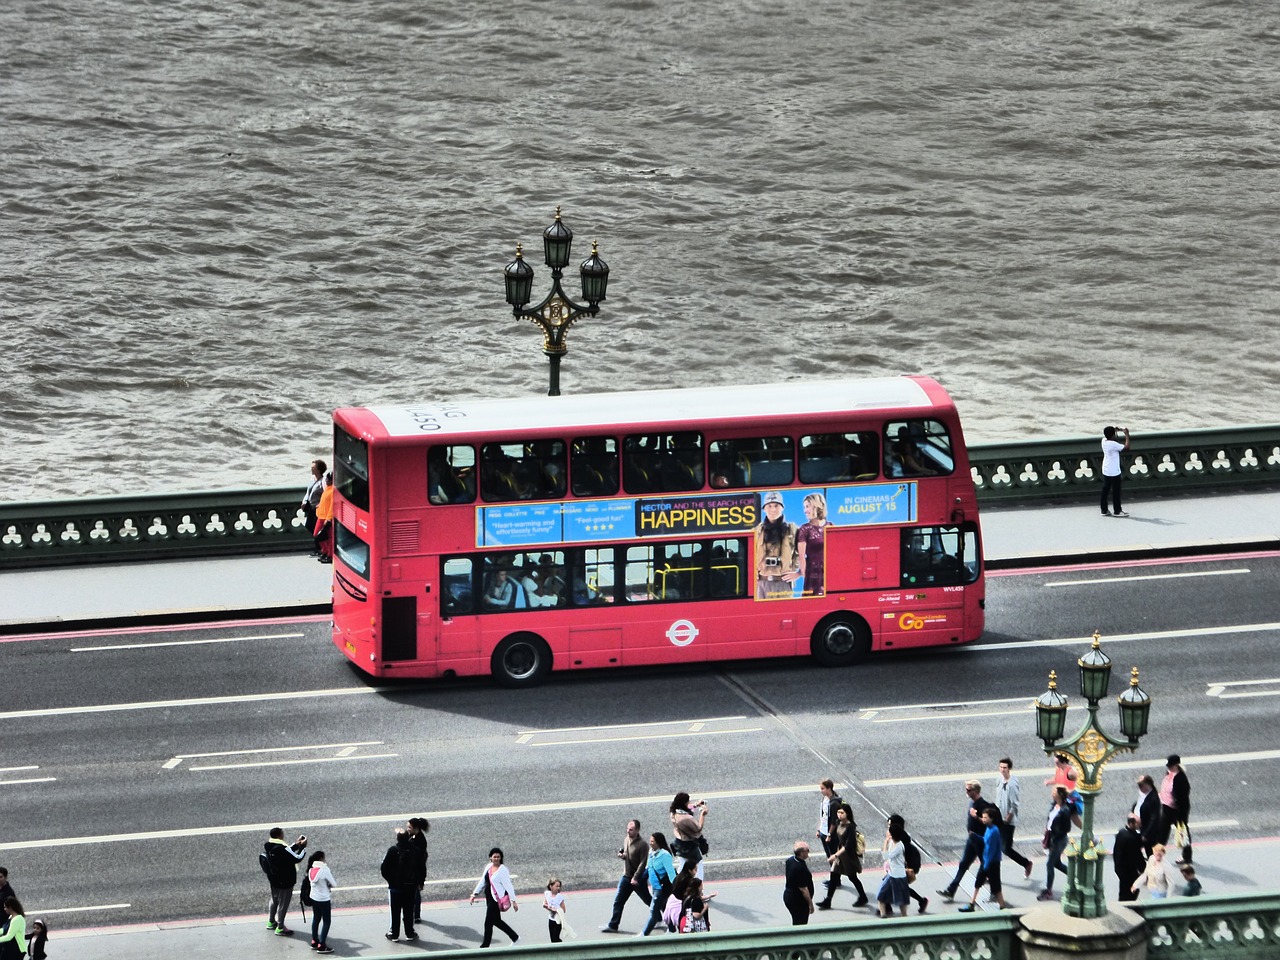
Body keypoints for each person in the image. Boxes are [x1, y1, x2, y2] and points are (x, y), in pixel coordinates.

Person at [937, 780, 995, 901]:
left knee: (986, 866)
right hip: (972, 839)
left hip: (980, 840)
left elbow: (988, 823)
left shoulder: (983, 805)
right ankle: (951, 890)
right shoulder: (972, 803)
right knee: (963, 865)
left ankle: (994, 892)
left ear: (975, 791)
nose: (966, 791)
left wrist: (976, 817)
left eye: (968, 790)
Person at [601, 819, 651, 933]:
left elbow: (643, 863)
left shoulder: (642, 844)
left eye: (631, 830)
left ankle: (660, 916)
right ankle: (613, 925)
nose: (628, 831)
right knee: (618, 901)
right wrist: (623, 856)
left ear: (637, 830)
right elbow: (628, 855)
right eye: (627, 829)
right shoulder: (626, 840)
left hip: (637, 879)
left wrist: (636, 877)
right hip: (627, 876)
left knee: (648, 899)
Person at [817, 803, 868, 909]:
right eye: (838, 812)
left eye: (842, 813)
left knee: (852, 877)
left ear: (847, 814)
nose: (839, 815)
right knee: (834, 875)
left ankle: (863, 897)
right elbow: (834, 829)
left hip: (848, 856)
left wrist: (835, 855)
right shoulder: (838, 822)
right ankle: (828, 900)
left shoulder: (851, 827)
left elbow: (847, 846)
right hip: (840, 854)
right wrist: (829, 835)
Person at [469, 847, 519, 947]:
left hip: (496, 900)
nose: (496, 858)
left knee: (488, 922)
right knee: (496, 921)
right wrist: (474, 894)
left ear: (501, 858)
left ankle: (485, 946)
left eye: (498, 857)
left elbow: (508, 886)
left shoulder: (503, 870)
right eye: (494, 857)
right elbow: (482, 881)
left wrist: (513, 901)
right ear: (490, 858)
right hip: (489, 898)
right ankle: (515, 937)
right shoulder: (488, 867)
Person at [754, 491, 800, 599]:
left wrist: (796, 571)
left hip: (783, 583)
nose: (773, 509)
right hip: (762, 583)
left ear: (782, 507)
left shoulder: (792, 529)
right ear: (764, 509)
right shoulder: (757, 531)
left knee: (785, 614)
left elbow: (801, 553)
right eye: (769, 506)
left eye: (776, 505)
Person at [959, 808, 1006, 911]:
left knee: (996, 886)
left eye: (985, 817)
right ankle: (972, 903)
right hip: (986, 861)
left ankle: (1002, 905)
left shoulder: (994, 831)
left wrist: (986, 865)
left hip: (992, 863)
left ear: (992, 819)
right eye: (983, 817)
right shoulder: (989, 829)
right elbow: (985, 840)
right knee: (978, 882)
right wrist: (975, 836)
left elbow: (991, 850)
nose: (983, 819)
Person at [994, 758, 1034, 879]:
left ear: (1009, 768)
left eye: (1004, 767)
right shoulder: (999, 780)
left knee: (1005, 849)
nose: (1002, 770)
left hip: (1007, 822)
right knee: (993, 846)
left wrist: (1008, 818)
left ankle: (1026, 863)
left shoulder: (1012, 784)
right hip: (997, 818)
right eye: (1001, 767)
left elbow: (1015, 804)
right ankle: (991, 875)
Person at [263, 827, 307, 936]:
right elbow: (297, 857)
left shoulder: (269, 845)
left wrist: (296, 845)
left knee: (274, 900)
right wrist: (303, 848)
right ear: (279, 835)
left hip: (274, 879)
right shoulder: (282, 848)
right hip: (285, 880)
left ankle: (271, 921)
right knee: (283, 904)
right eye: (282, 834)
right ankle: (280, 927)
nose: (283, 835)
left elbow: (286, 852)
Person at [381, 828, 419, 942]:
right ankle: (410, 933)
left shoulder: (393, 850)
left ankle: (394, 934)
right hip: (410, 887)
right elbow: (420, 868)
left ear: (397, 839)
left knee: (395, 911)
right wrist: (417, 882)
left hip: (395, 888)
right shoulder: (415, 850)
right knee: (408, 911)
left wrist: (391, 881)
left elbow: (384, 869)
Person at [1037, 786, 1074, 901]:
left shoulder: (1065, 810)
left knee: (1050, 864)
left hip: (1058, 840)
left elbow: (1067, 828)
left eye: (1054, 792)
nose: (1052, 793)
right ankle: (1075, 877)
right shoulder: (1054, 805)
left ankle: (1048, 891)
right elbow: (1050, 820)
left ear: (1060, 795)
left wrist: (1054, 840)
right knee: (1056, 863)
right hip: (1052, 838)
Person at [888, 813, 929, 914]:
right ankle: (921, 901)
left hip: (908, 865)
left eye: (890, 825)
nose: (888, 827)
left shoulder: (902, 839)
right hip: (904, 864)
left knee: (894, 885)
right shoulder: (898, 835)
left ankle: (887, 906)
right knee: (897, 886)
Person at [638, 832, 676, 937]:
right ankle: (672, 929)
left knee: (653, 911)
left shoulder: (665, 855)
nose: (650, 843)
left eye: (652, 841)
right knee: (664, 907)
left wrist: (677, 888)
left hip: (661, 888)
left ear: (658, 842)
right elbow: (649, 868)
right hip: (654, 887)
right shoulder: (651, 853)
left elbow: (671, 873)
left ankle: (644, 934)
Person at [1159, 754, 1192, 864]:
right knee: (1162, 832)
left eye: (1171, 766)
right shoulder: (1169, 774)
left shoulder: (1181, 778)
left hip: (1177, 811)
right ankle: (1158, 854)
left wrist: (1182, 816)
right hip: (1167, 808)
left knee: (1182, 833)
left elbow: (1183, 798)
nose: (1168, 768)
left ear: (1176, 765)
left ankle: (1187, 857)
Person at [795, 493, 828, 596]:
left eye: (807, 506)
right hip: (812, 573)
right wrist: (805, 575)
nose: (805, 510)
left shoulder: (830, 526)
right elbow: (801, 556)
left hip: (828, 571)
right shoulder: (804, 529)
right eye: (804, 507)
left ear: (816, 506)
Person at [669, 793, 707, 880]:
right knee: (698, 863)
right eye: (688, 802)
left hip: (679, 841)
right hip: (689, 844)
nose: (689, 803)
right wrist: (702, 814)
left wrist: (696, 805)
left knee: (682, 863)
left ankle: (677, 882)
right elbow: (698, 828)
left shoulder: (674, 812)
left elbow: (686, 809)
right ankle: (698, 883)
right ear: (684, 803)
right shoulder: (686, 818)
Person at [877, 822, 910, 917]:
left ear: (891, 835)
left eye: (888, 831)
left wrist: (885, 842)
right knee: (881, 897)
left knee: (900, 901)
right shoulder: (895, 842)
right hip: (892, 875)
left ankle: (904, 917)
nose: (887, 832)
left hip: (897, 877)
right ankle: (884, 916)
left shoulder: (898, 847)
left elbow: (885, 856)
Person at [306, 851, 336, 954]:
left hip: (314, 898)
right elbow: (334, 884)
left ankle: (314, 941)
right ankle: (322, 945)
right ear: (321, 858)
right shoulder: (324, 870)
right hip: (324, 899)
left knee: (316, 919)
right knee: (326, 921)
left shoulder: (311, 870)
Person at [1113, 814, 1146, 903]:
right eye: (1138, 824)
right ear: (1131, 823)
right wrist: (1143, 868)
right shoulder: (1130, 839)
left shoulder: (1122, 832)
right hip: (1128, 870)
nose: (1140, 826)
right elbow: (1137, 856)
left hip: (1120, 867)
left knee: (1123, 889)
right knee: (1131, 891)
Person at [1100, 425, 1132, 517]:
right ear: (1113, 435)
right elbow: (1127, 448)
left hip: (1106, 469)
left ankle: (1104, 510)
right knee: (1116, 491)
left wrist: (1115, 430)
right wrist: (1126, 434)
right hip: (1114, 471)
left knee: (1105, 490)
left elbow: (1112, 438)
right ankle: (1117, 510)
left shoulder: (1103, 441)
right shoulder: (1113, 445)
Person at [782, 841, 815, 925]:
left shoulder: (790, 860)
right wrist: (810, 904)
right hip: (798, 901)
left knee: (797, 919)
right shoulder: (800, 868)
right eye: (807, 850)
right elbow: (803, 889)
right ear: (802, 853)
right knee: (800, 922)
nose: (808, 852)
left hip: (789, 896)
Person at [407, 818, 430, 924]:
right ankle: (415, 914)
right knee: (415, 893)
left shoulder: (419, 841)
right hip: (414, 870)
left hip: (416, 872)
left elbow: (420, 863)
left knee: (415, 893)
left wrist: (421, 880)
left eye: (409, 827)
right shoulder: (414, 836)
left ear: (416, 828)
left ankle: (416, 914)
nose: (407, 829)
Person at [301, 459, 326, 555]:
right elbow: (308, 492)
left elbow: (325, 494)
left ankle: (319, 548)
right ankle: (319, 546)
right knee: (309, 525)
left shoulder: (323, 482)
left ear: (319, 470)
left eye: (313, 468)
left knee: (317, 528)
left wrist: (321, 504)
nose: (311, 469)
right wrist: (304, 501)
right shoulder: (312, 479)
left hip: (318, 508)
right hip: (310, 507)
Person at [1134, 774, 1162, 857]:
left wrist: (1146, 834)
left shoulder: (1153, 798)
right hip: (1143, 830)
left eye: (1141, 785)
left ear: (1148, 785)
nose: (1139, 788)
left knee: (1151, 854)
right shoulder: (1145, 795)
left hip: (1150, 834)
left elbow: (1154, 818)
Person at [815, 779, 841, 859]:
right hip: (823, 831)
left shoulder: (834, 803)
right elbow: (823, 816)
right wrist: (819, 829)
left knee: (833, 855)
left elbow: (834, 821)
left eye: (823, 789)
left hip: (829, 834)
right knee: (828, 855)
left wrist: (829, 834)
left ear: (829, 788)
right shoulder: (825, 799)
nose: (821, 791)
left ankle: (836, 871)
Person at [315, 470, 334, 563]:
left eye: (328, 479)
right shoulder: (327, 489)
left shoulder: (333, 491)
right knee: (317, 535)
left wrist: (329, 518)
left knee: (328, 538)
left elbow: (332, 506)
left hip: (326, 518)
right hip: (321, 516)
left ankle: (330, 554)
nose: (326, 480)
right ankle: (325, 551)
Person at [542, 878, 565, 943]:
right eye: (556, 886)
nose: (558, 888)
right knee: (552, 939)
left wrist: (554, 910)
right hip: (551, 919)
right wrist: (544, 905)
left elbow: (563, 910)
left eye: (559, 886)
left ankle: (562, 948)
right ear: (551, 886)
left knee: (556, 938)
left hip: (558, 920)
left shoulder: (560, 897)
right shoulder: (547, 894)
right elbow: (545, 902)